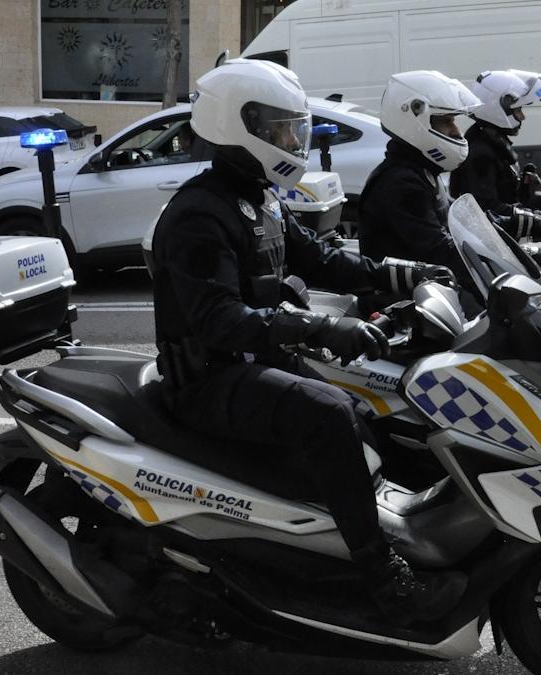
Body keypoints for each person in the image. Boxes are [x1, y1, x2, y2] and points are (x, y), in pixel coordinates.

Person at [151, 58, 463, 625]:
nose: (295, 139)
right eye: (282, 129)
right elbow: (219, 320)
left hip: (254, 360)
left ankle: (369, 533)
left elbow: (320, 259)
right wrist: (321, 328)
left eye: (297, 128)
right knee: (330, 415)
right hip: (207, 379)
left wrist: (404, 273)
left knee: (373, 407)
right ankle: (381, 581)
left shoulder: (260, 197)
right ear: (239, 126)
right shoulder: (200, 214)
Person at [357, 70, 483, 289]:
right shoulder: (400, 183)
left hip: (432, 291)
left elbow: (458, 217)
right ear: (415, 120)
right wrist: (487, 258)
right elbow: (437, 249)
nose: (456, 131)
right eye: (447, 122)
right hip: (404, 305)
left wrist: (502, 230)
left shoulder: (420, 171)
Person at [449, 69, 541, 240]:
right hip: (493, 242)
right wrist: (539, 215)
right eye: (518, 109)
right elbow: (489, 208)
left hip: (506, 235)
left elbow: (510, 197)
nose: (522, 116)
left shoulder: (493, 139)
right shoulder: (480, 152)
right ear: (498, 107)